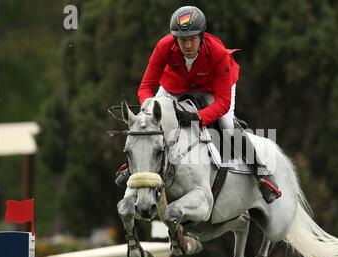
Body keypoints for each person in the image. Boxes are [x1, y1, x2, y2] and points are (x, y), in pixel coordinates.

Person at [116, 5, 281, 204]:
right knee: (149, 121)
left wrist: (197, 117)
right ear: (175, 38)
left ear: (202, 36)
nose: (187, 45)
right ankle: (132, 167)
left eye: (192, 39)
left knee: (227, 125)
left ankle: (261, 173)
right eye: (182, 39)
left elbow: (222, 102)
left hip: (214, 89)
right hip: (176, 85)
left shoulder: (218, 53)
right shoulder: (164, 46)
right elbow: (145, 87)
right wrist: (148, 105)